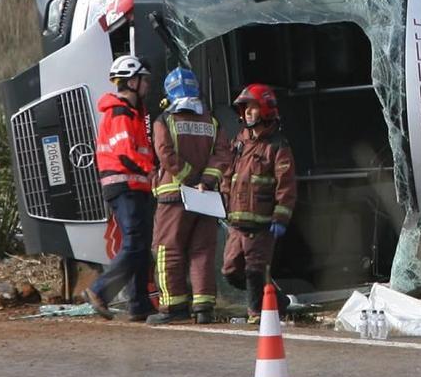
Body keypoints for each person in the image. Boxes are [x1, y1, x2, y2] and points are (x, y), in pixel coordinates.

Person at [146, 67, 231, 325]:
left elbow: (165, 153)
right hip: (206, 198)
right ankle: (204, 307)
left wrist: (190, 179)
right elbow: (222, 155)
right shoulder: (212, 122)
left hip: (174, 196)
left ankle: (173, 306)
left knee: (166, 250)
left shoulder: (165, 120)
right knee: (202, 251)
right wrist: (205, 181)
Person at [84, 55, 156, 321]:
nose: (147, 85)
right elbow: (125, 154)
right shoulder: (120, 112)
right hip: (125, 185)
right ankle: (100, 290)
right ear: (132, 81)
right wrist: (152, 169)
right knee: (135, 244)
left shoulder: (133, 113)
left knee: (140, 244)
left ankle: (139, 305)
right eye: (144, 80)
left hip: (135, 186)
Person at [221, 84, 296, 324]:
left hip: (262, 224)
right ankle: (276, 300)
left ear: (265, 109)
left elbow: (286, 185)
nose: (247, 114)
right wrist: (222, 201)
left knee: (255, 269)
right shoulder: (239, 143)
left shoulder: (277, 146)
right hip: (236, 222)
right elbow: (227, 175)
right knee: (231, 271)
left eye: (251, 108)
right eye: (244, 110)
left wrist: (280, 217)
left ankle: (257, 313)